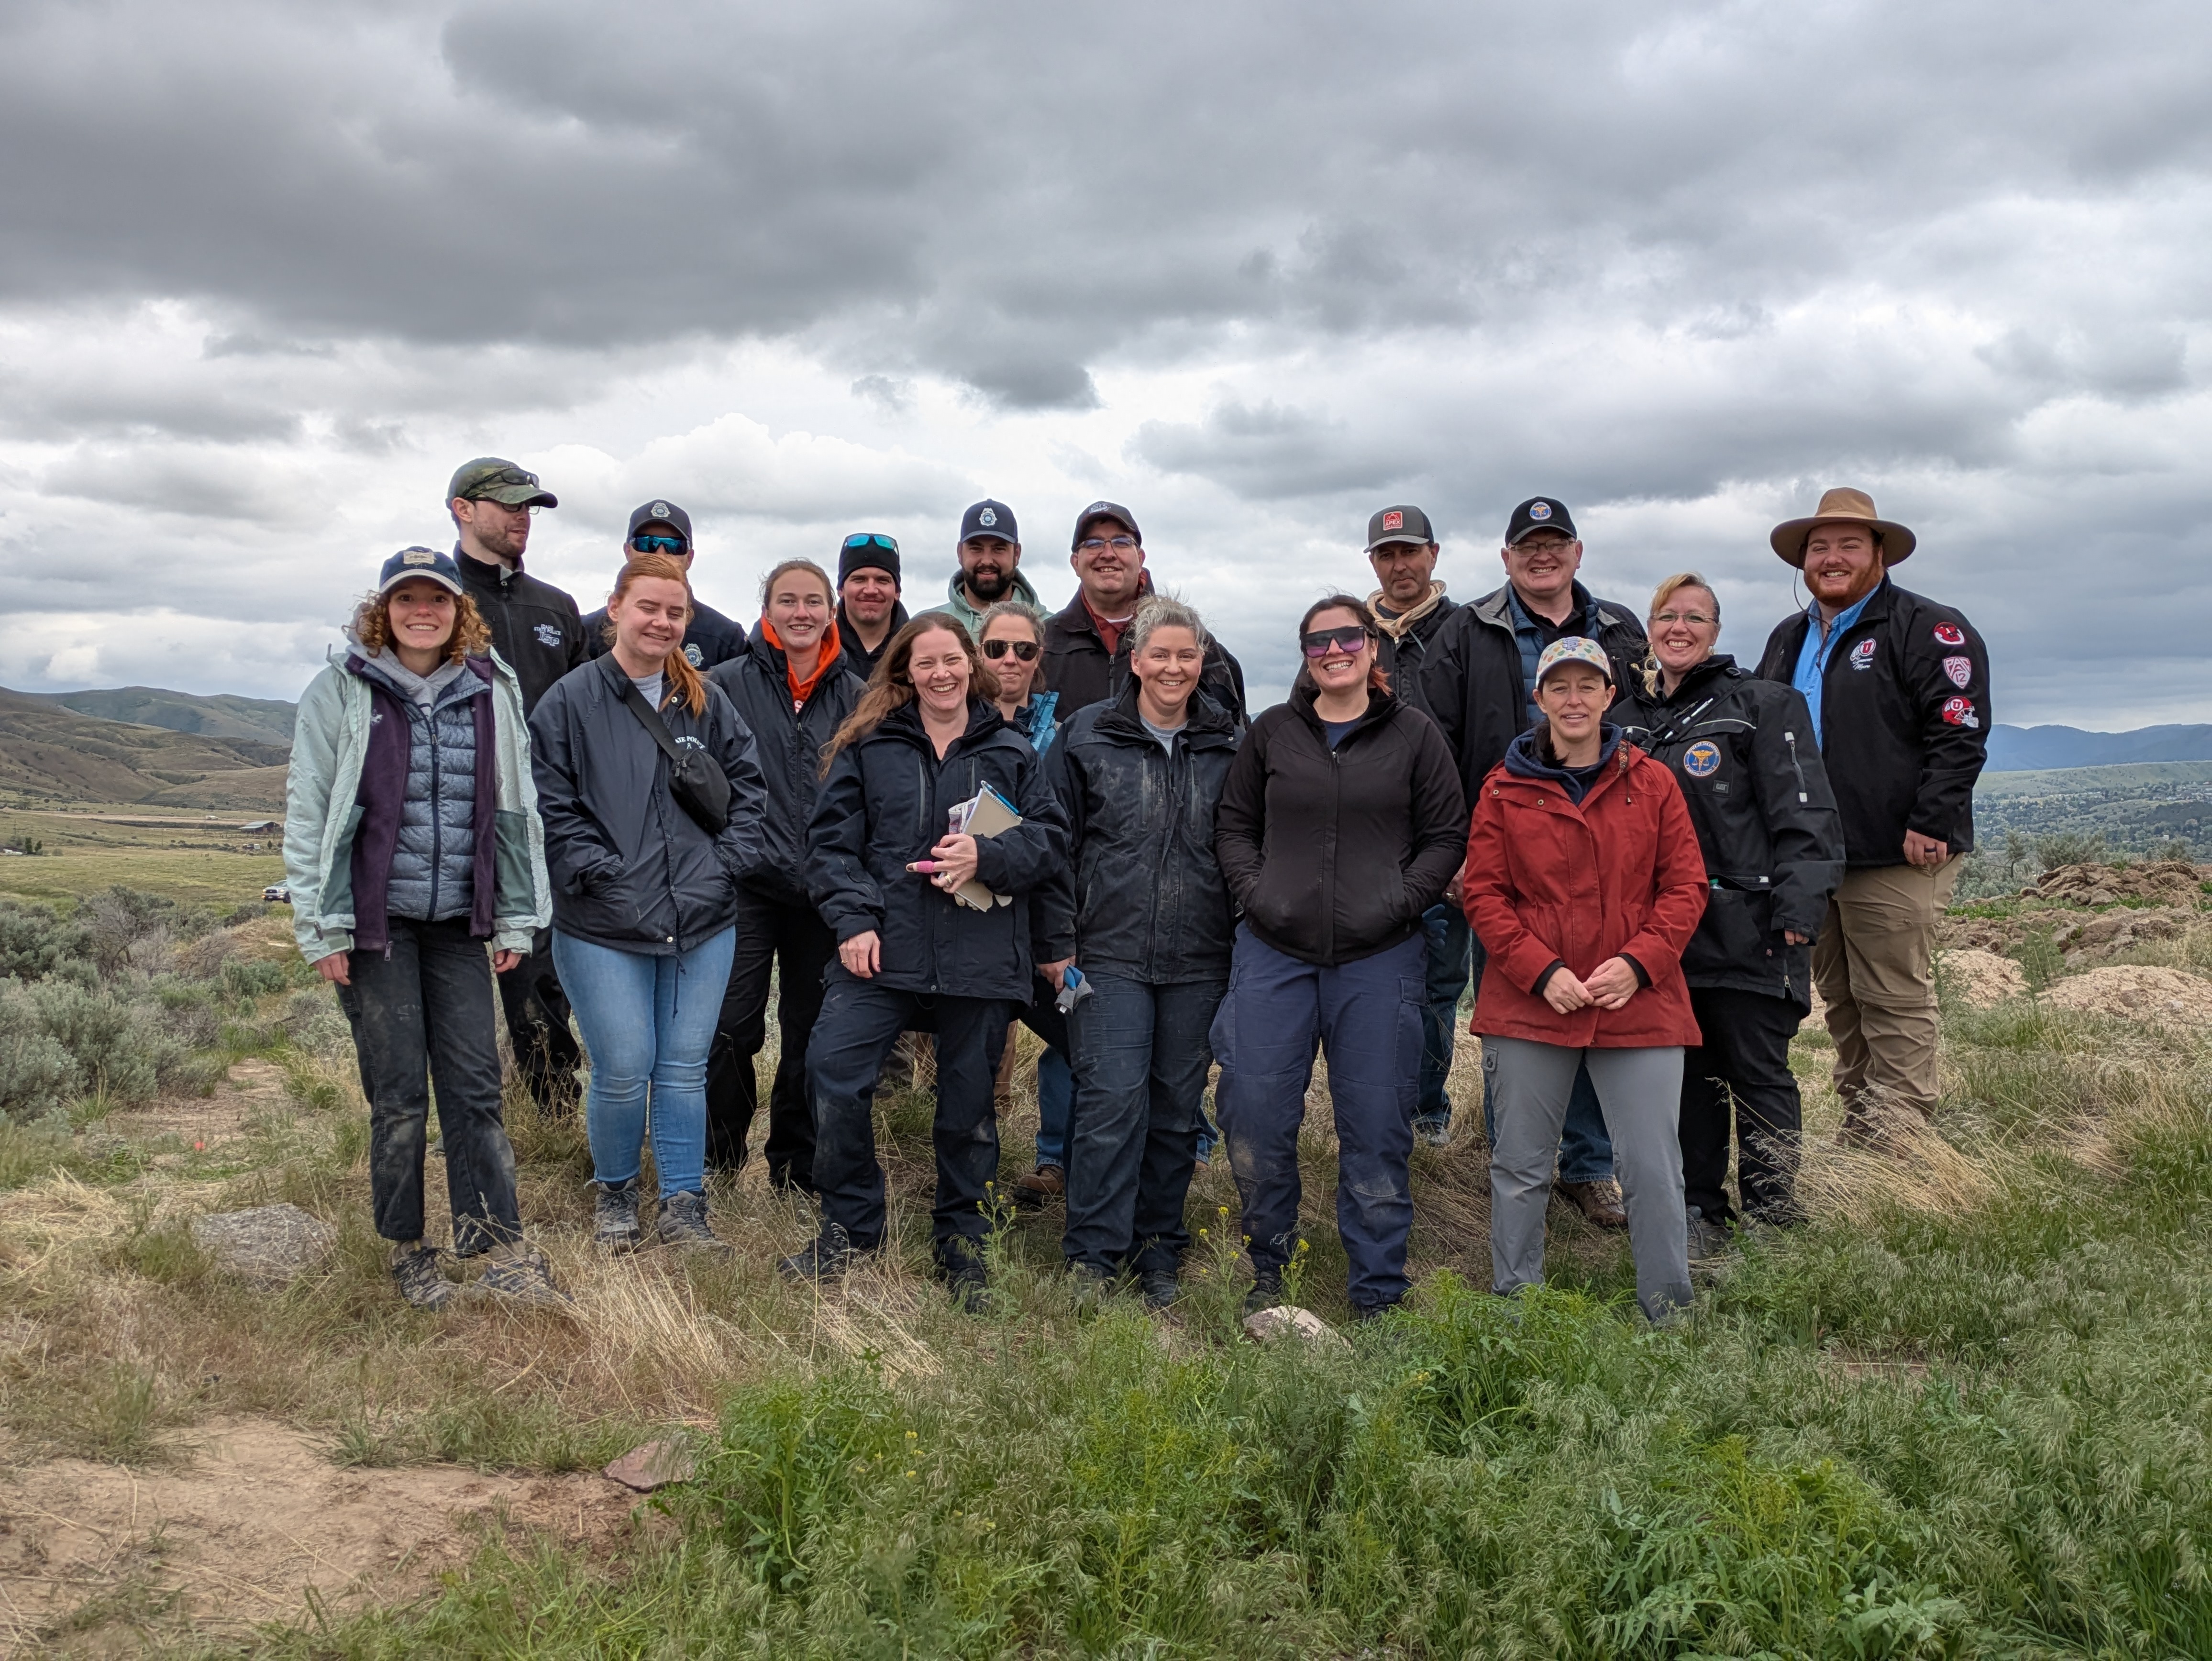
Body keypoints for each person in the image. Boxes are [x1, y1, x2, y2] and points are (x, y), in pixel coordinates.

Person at [284, 547, 564, 1309]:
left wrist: (516, 913)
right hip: (375, 925)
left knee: (475, 1087)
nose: (422, 612)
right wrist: (322, 928)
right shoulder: (341, 690)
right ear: (383, 609)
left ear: (455, 610)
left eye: (435, 599)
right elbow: (311, 811)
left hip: (458, 924)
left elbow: (515, 811)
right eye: (405, 599)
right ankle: (408, 1248)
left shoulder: (489, 688)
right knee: (401, 1093)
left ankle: (493, 1236)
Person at [784, 617, 1072, 1308]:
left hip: (981, 955)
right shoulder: (869, 745)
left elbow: (1051, 844)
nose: (941, 674)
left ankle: (963, 1242)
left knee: (968, 1109)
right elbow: (829, 848)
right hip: (886, 950)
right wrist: (852, 921)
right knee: (833, 1074)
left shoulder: (1012, 751)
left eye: (952, 661)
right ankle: (851, 1226)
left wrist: (988, 857)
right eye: (925, 663)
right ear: (903, 672)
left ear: (971, 667)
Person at [1211, 596, 1464, 1319]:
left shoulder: (1415, 737)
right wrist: (1258, 895)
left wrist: (1400, 901)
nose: (1333, 650)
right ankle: (1271, 1268)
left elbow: (1448, 835)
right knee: (1254, 1111)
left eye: (1348, 636)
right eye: (1318, 641)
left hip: (1380, 957)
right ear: (1305, 654)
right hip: (1273, 953)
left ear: (1372, 648)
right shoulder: (1272, 734)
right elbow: (1234, 824)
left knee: (1377, 1125)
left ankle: (1379, 1291)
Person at [1418, 496, 1647, 1228]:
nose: (1541, 556)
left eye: (1555, 544)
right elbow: (1436, 750)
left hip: (1604, 849)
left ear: (1578, 553)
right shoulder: (1467, 630)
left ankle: (1588, 1167)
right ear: (1506, 557)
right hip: (1505, 856)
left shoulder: (1618, 629)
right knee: (1517, 1007)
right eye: (1528, 546)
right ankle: (1517, 1161)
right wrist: (1456, 851)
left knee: (1593, 1006)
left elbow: (1644, 735)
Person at [1466, 637, 1709, 1323]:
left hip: (1637, 998)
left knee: (1653, 1168)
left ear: (1610, 696)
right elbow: (1484, 895)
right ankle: (1517, 1311)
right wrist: (1540, 972)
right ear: (1538, 699)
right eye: (1559, 687)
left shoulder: (1654, 782)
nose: (1574, 700)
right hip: (1531, 1000)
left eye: (1588, 686)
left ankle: (1669, 1312)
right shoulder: (1504, 789)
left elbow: (1686, 886)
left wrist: (1638, 965)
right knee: (1520, 1167)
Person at [528, 554, 766, 1252]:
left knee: (685, 1069)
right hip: (603, 922)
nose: (661, 622)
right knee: (626, 1065)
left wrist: (723, 868)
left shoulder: (705, 702)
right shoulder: (570, 703)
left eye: (675, 611)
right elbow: (550, 805)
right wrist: (602, 874)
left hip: (702, 920)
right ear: (615, 610)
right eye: (649, 608)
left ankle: (684, 1206)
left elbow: (750, 794)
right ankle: (616, 1197)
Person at [1615, 575, 1844, 1251]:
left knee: (1756, 1073)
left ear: (1716, 633)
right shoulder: (1622, 719)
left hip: (1751, 924)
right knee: (1687, 1080)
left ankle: (1774, 1215)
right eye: (1667, 616)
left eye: (1695, 618)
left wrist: (1799, 910)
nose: (1678, 628)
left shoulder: (1762, 705)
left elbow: (1806, 814)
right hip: (1661, 936)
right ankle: (1700, 1215)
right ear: (1649, 630)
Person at [1755, 489, 1991, 1142]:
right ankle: (1864, 1127)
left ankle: (1903, 1142)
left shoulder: (1927, 628)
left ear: (1880, 553)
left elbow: (1959, 731)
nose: (1831, 558)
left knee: (1893, 996)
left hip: (1898, 850)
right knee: (1843, 999)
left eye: (1848, 545)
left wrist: (1933, 820)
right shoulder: (1788, 637)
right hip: (1813, 854)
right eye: (1819, 547)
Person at [1045, 596, 1241, 1307]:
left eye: (1186, 655)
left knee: (1175, 1106)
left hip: (1200, 956)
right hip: (1106, 954)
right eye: (1159, 653)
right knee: (1110, 1101)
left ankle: (1158, 1251)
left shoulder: (1228, 742)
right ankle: (1094, 1258)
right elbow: (1051, 842)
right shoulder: (1086, 735)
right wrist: (1056, 942)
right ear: (1134, 661)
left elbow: (1246, 847)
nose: (1173, 667)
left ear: (1202, 662)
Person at [704, 559, 866, 1190]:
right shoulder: (721, 686)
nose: (801, 612)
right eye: (787, 600)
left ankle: (796, 1165)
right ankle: (719, 1159)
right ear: (766, 609)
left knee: (811, 1031)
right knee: (729, 1025)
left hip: (823, 891)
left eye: (813, 601)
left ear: (833, 611)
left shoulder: (858, 698)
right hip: (743, 884)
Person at [445, 456, 589, 1118]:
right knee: (449, 979)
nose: (521, 517)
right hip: (447, 822)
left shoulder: (557, 609)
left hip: (538, 824)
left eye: (529, 506)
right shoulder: (430, 598)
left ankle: (555, 1113)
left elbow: (589, 716)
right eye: (507, 504)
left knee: (538, 980)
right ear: (462, 509)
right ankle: (464, 1117)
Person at [1364, 505, 1465, 1147]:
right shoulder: (1350, 633)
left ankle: (1427, 1112)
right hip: (1368, 850)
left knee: (1438, 988)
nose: (1399, 566)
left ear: (1433, 554)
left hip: (1442, 847)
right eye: (1386, 554)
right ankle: (1375, 1112)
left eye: (1410, 552)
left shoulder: (1468, 632)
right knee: (1374, 988)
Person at [974, 601, 1075, 1208]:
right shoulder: (954, 722)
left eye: (1024, 650)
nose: (1009, 660)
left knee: (1077, 1029)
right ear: (975, 653)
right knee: (978, 1056)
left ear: (1040, 659)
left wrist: (1060, 932)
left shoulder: (1066, 733)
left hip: (1046, 917)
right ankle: (972, 1188)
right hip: (976, 915)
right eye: (995, 649)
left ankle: (1061, 1160)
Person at [1041, 501, 1247, 721]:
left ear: (1140, 558)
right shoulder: (1041, 645)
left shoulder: (1196, 643)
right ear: (1075, 563)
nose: (1108, 554)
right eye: (1094, 543)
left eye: (1121, 542)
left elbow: (1230, 734)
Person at [582, 500, 747, 672]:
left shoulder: (726, 638)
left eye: (674, 546)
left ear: (689, 558)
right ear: (628, 552)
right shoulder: (584, 632)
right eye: (647, 543)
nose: (660, 554)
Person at [935, 500, 1044, 638]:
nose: (987, 561)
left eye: (999, 549)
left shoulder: (1051, 629)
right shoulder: (927, 628)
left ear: (1017, 554)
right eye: (976, 549)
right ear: (959, 553)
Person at [836, 532, 910, 681]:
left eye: (882, 580)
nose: (871, 590)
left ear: (897, 592)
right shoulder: (818, 647)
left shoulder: (915, 648)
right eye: (859, 579)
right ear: (841, 590)